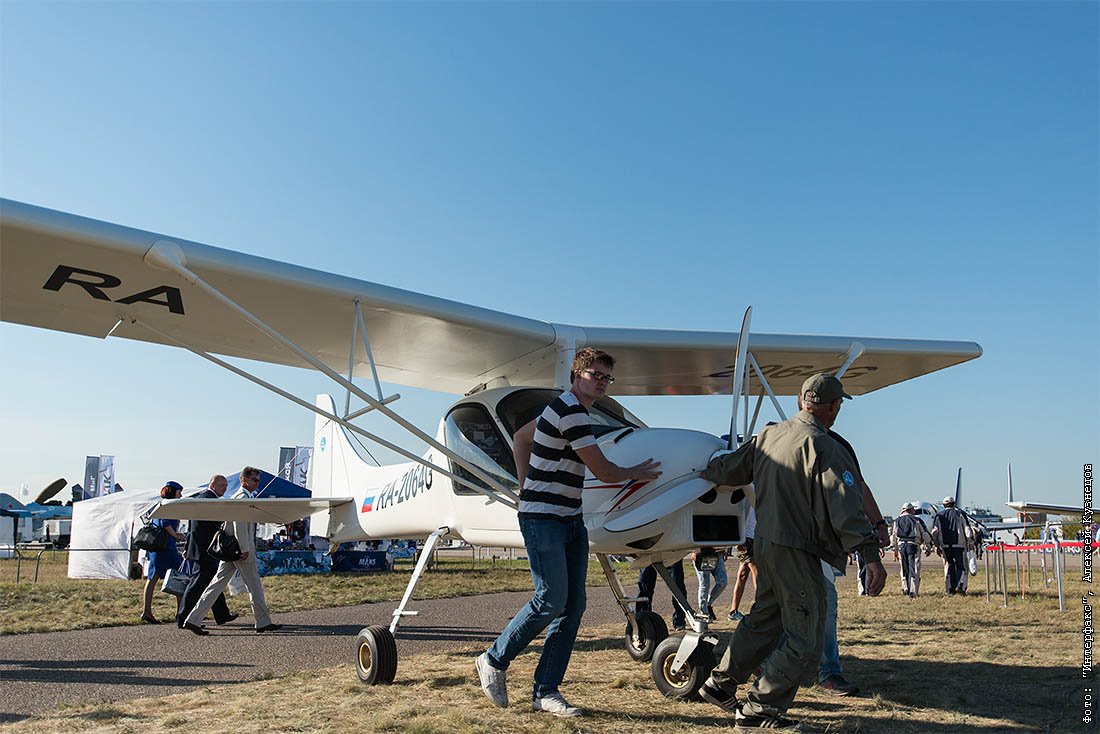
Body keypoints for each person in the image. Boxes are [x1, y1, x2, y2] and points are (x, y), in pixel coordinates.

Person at [475, 348, 661, 717]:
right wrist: (637, 472)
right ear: (577, 374)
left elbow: (521, 438)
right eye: (596, 375)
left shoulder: (561, 408)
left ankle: (545, 691)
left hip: (569, 517)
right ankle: (493, 659)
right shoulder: (572, 412)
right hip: (544, 519)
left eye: (608, 378)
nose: (603, 383)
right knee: (551, 599)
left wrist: (525, 481)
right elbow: (605, 472)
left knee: (573, 606)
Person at [696, 373, 884, 730]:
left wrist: (702, 467)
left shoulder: (768, 435)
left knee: (766, 620)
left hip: (764, 545)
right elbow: (846, 508)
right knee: (806, 638)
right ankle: (759, 708)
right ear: (834, 406)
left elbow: (729, 469)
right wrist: (870, 555)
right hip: (797, 551)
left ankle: (719, 684)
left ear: (801, 401)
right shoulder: (826, 447)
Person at [815, 423, 889, 697]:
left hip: (815, 545)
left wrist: (879, 524)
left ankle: (828, 671)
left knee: (825, 604)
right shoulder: (783, 439)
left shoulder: (836, 446)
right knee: (777, 608)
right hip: (785, 543)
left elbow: (855, 488)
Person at [183, 467, 281, 634]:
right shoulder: (242, 497)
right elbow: (239, 524)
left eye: (258, 480)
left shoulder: (241, 496)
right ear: (244, 480)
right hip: (240, 550)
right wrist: (244, 548)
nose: (258, 483)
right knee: (254, 586)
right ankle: (263, 622)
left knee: (216, 585)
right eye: (255, 480)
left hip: (232, 550)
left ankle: (193, 619)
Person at [176, 474, 238, 629]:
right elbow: (216, 523)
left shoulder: (200, 498)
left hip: (200, 548)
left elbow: (192, 526)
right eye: (222, 485)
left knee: (211, 582)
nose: (225, 488)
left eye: (226, 485)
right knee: (198, 584)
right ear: (213, 485)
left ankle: (221, 614)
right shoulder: (210, 500)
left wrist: (187, 547)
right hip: (206, 550)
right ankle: (183, 617)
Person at [140, 481, 188, 624]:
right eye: (179, 492)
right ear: (173, 491)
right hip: (166, 548)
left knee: (153, 579)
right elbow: (165, 523)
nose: (180, 495)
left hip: (160, 548)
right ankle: (181, 612)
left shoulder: (160, 505)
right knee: (180, 577)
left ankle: (147, 611)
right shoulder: (168, 506)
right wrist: (176, 535)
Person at [894, 502, 933, 598]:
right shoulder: (917, 520)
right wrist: (928, 545)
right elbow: (924, 533)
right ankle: (913, 591)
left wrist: (894, 549)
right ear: (911, 510)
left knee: (904, 568)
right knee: (914, 568)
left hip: (901, 546)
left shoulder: (897, 521)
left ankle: (905, 588)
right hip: (913, 545)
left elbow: (893, 536)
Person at [637, 559, 689, 630]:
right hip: (647, 553)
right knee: (644, 586)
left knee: (677, 585)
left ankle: (679, 621)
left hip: (671, 553)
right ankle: (642, 622)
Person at [932, 496, 969, 595]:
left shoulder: (939, 515)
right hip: (959, 545)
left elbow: (934, 532)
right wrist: (970, 541)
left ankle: (950, 589)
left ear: (944, 505)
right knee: (961, 566)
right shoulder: (960, 514)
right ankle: (960, 585)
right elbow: (967, 530)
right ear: (954, 504)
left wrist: (936, 545)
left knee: (949, 566)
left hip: (945, 545)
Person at [727, 504, 757, 622]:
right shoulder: (746, 497)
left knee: (742, 576)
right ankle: (761, 605)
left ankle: (733, 610)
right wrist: (738, 540)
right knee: (755, 570)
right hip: (746, 539)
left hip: (753, 537)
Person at [693, 548, 727, 622]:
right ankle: (704, 613)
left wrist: (723, 549)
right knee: (704, 584)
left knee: (722, 582)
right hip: (702, 553)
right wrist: (694, 550)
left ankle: (707, 604)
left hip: (717, 552)